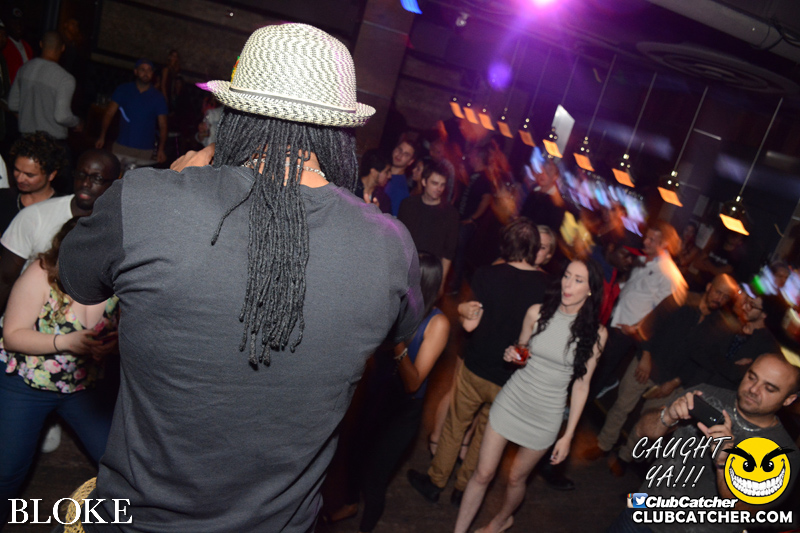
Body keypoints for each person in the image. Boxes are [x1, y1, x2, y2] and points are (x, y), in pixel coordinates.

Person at [58, 23, 422, 532]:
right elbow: (396, 335)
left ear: (232, 117)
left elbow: (76, 278)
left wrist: (169, 184)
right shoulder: (389, 245)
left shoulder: (146, 200)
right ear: (342, 134)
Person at [454, 258, 607, 533]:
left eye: (578, 280)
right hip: (513, 400)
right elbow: (521, 351)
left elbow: (581, 386)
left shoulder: (596, 334)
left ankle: (501, 520)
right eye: (567, 276)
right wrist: (512, 354)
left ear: (590, 290)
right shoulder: (536, 313)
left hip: (546, 414)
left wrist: (568, 435)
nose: (568, 285)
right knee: (483, 473)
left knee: (516, 478)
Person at [408, 218, 548, 506]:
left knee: (455, 426)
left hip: (476, 368)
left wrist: (461, 309)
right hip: (510, 378)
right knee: (485, 435)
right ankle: (463, 489)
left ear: (506, 245)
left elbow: (471, 323)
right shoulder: (547, 287)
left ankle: (435, 482)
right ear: (535, 249)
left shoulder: (487, 275)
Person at [0, 218, 119, 526]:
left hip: (83, 388)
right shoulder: (41, 273)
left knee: (117, 463)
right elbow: (12, 335)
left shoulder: (119, 279)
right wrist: (66, 342)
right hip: (27, 384)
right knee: (7, 471)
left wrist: (113, 345)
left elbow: (133, 331)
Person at [606, 352, 800, 533]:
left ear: (788, 399)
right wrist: (667, 416)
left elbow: (745, 512)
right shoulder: (706, 395)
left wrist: (724, 463)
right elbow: (642, 431)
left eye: (769, 388)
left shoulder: (782, 453)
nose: (753, 389)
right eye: (752, 377)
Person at [335, 252, 449, 533]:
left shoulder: (437, 324)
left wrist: (397, 341)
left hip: (403, 411)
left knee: (375, 477)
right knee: (353, 456)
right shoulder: (395, 307)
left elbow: (413, 383)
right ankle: (349, 504)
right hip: (377, 396)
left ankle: (367, 527)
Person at [587, 274, 738, 475]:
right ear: (709, 286)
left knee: (651, 420)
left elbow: (704, 364)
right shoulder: (681, 299)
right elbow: (650, 323)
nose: (719, 298)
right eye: (718, 292)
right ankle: (604, 444)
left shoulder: (719, 326)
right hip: (646, 364)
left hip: (671, 380)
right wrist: (645, 355)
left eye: (725, 297)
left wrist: (675, 383)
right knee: (622, 406)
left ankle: (624, 457)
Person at [0, 149, 119, 316]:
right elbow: (5, 278)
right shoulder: (35, 216)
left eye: (97, 178)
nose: (85, 183)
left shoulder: (121, 226)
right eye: (81, 175)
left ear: (115, 183)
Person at [8, 31, 80, 140]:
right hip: (51, 142)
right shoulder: (65, 78)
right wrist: (77, 122)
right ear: (63, 48)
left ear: (41, 44)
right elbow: (62, 116)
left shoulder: (24, 69)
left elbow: (12, 104)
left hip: (26, 139)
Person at [95, 58, 168, 166]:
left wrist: (161, 149)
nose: (146, 73)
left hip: (145, 150)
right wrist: (102, 136)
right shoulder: (123, 90)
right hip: (122, 146)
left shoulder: (158, 97)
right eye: (142, 69)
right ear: (136, 71)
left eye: (149, 70)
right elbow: (109, 114)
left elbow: (163, 125)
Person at [398, 160, 459, 286]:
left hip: (430, 274)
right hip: (405, 269)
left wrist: (441, 282)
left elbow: (448, 253)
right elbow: (398, 240)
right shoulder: (408, 205)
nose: (439, 189)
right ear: (424, 182)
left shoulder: (450, 214)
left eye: (442, 185)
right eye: (435, 183)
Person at [0, 132, 69, 235]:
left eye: (29, 175)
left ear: (51, 175)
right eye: (17, 170)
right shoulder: (3, 198)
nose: (20, 179)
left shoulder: (63, 208)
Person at [384, 136, 418, 216]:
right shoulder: (380, 171)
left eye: (406, 154)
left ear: (410, 162)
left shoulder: (401, 190)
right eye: (399, 149)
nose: (400, 155)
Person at [354, 149, 391, 213]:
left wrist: (376, 214)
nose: (389, 176)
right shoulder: (352, 188)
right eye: (386, 172)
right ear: (374, 172)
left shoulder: (383, 199)